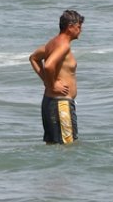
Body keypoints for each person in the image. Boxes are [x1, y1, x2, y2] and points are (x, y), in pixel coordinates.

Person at [28, 10, 84, 145]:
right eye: (79, 27)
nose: (81, 30)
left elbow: (34, 58)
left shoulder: (52, 43)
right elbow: (48, 65)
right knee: (68, 146)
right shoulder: (63, 45)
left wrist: (47, 82)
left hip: (50, 102)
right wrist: (53, 84)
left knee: (53, 146)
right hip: (61, 104)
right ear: (70, 27)